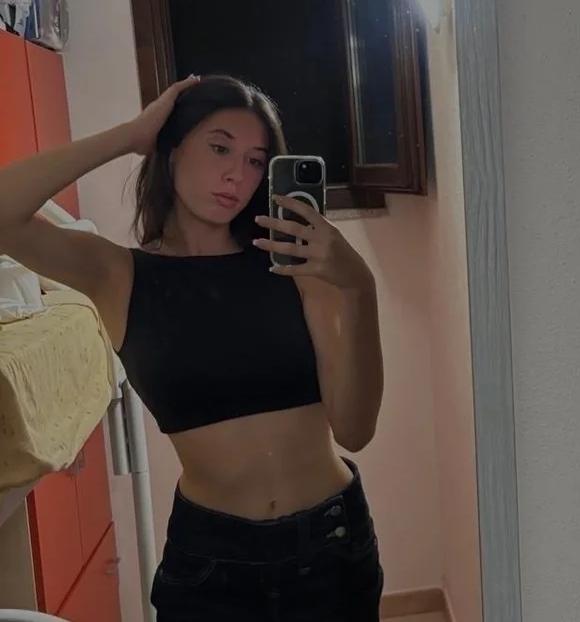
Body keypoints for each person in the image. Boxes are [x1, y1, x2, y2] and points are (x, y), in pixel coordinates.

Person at [0, 74, 385, 621]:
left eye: (255, 161)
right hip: (212, 564)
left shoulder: (294, 266)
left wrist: (359, 287)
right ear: (173, 148)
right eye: (219, 147)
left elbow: (355, 430)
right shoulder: (120, 275)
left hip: (331, 546)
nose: (237, 175)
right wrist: (131, 135)